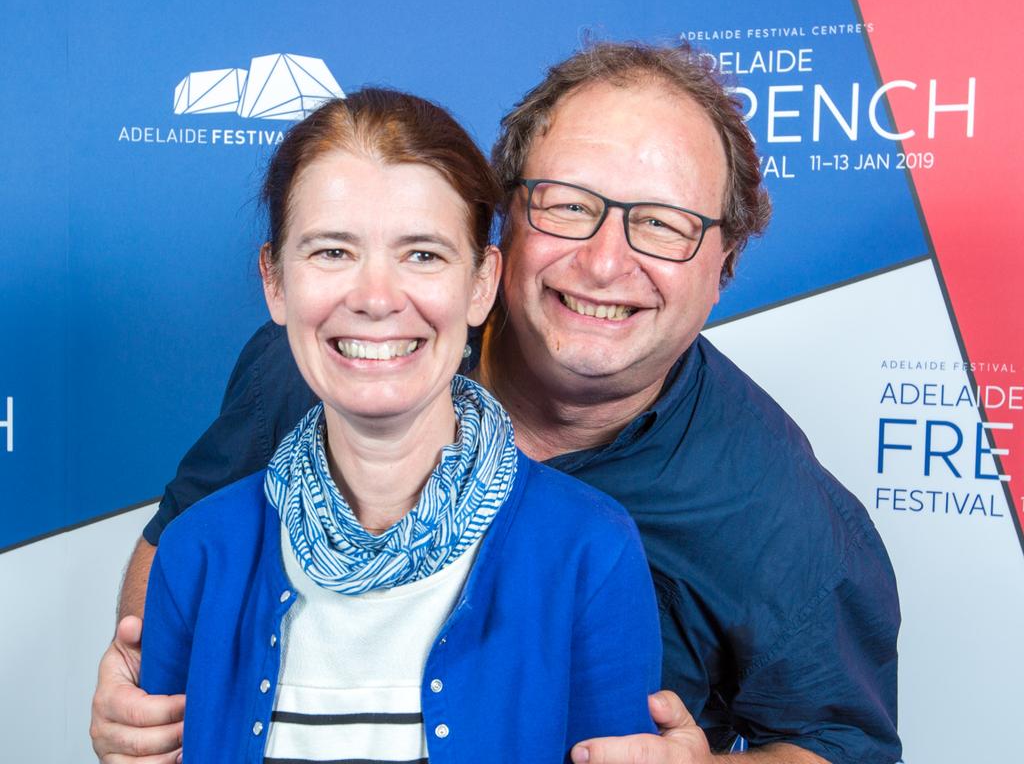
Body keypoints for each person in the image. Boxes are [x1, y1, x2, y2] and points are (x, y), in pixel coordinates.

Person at [91, 42, 902, 764]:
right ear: (505, 223)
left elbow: (846, 746)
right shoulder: (328, 357)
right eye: (570, 205)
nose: (603, 263)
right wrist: (143, 698)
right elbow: (183, 547)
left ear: (723, 265)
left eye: (661, 224)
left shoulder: (773, 505)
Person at [136, 88, 662, 763]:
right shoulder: (197, 555)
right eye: (332, 252)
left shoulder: (590, 550)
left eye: (423, 255)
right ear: (275, 282)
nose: (376, 298)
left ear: (480, 285)